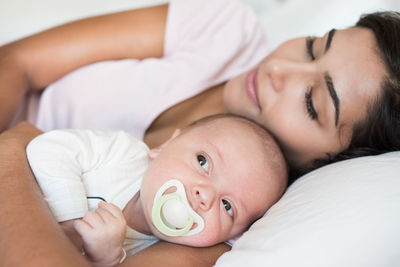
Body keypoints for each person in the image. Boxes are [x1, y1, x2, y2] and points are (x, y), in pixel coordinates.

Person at [0, 0, 399, 265]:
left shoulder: (218, 225)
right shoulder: (221, 26)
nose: (279, 70)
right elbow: (18, 61)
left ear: (332, 163)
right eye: (313, 47)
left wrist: (13, 149)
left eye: (313, 103)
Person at [26, 114, 287, 266]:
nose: (205, 195)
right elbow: (47, 147)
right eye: (203, 162)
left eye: (228, 206)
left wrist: (104, 257)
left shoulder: (149, 254)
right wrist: (70, 221)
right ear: (165, 145)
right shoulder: (121, 154)